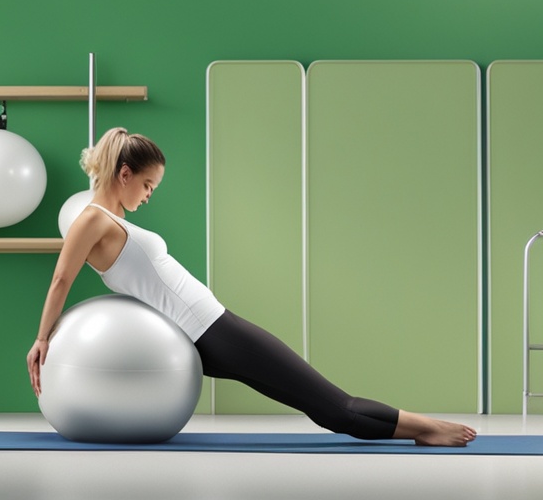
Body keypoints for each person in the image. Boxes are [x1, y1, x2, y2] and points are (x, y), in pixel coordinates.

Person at [26, 127, 477, 447]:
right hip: (210, 330)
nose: (148, 195)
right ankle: (425, 427)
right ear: (124, 174)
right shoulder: (92, 219)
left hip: (211, 325)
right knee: (335, 407)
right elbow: (61, 278)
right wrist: (43, 339)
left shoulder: (112, 219)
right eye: (147, 184)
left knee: (324, 406)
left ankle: (418, 427)